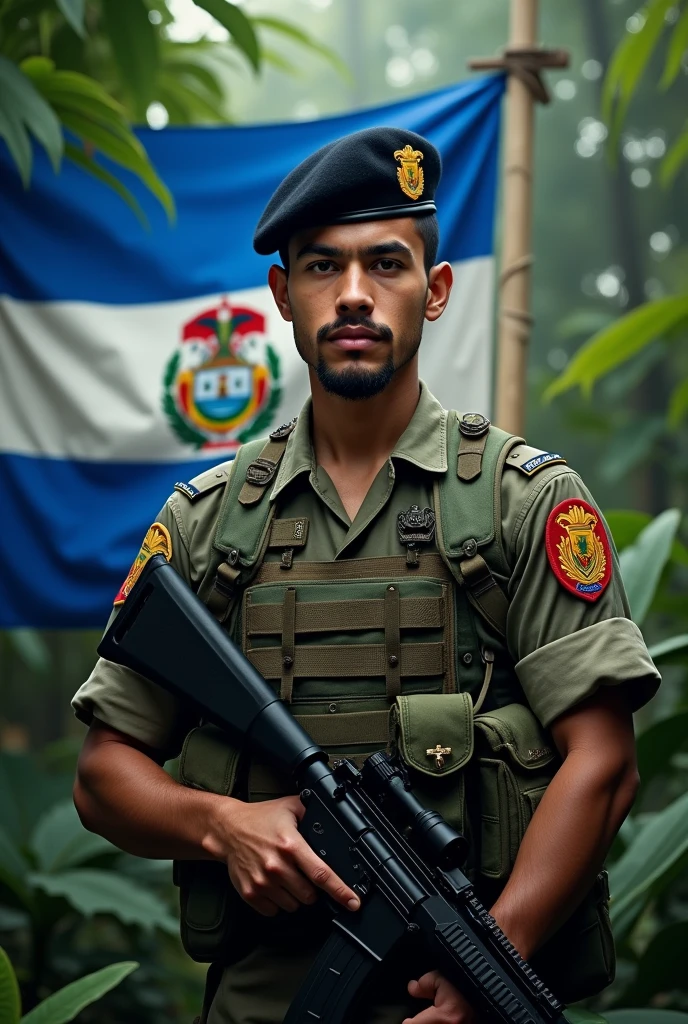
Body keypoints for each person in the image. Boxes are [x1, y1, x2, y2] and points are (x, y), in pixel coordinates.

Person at [72, 127, 660, 1024]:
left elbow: (605, 763)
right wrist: (220, 825)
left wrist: (489, 966)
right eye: (322, 267)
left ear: (436, 291)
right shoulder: (208, 521)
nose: (353, 295)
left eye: (386, 263)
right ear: (282, 294)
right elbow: (103, 774)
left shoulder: (521, 502)